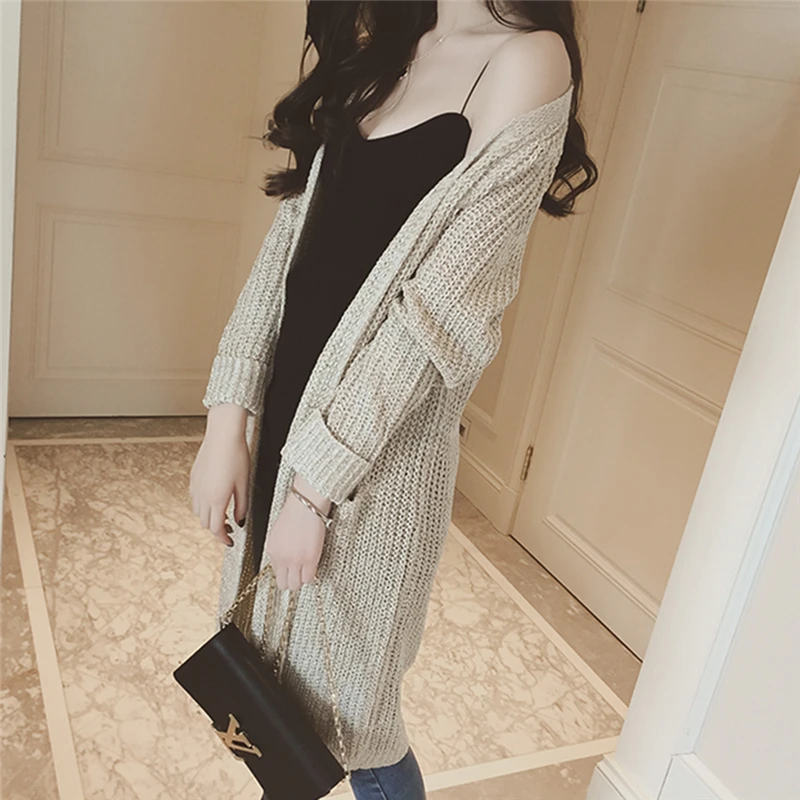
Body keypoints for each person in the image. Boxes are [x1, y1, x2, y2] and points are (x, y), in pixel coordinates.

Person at [190, 1, 596, 797]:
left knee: (354, 724)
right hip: (287, 418)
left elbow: (441, 311)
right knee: (273, 688)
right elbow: (289, 246)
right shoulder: (385, 45)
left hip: (369, 464)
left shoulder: (528, 60)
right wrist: (226, 419)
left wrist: (315, 487)